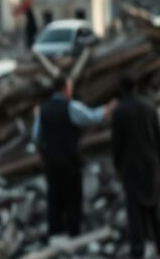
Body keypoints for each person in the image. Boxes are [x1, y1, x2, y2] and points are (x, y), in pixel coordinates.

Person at [32, 76, 111, 239]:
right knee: (73, 196)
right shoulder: (71, 106)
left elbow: (36, 136)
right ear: (65, 89)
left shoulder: (43, 110)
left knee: (54, 197)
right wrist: (107, 109)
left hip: (51, 161)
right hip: (69, 159)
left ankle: (56, 233)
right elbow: (91, 117)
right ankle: (74, 232)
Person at [111, 75, 160, 258]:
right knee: (154, 206)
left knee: (135, 209)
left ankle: (138, 249)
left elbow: (116, 144)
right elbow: (158, 136)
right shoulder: (149, 106)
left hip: (131, 167)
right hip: (150, 163)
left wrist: (117, 167)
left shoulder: (119, 112)